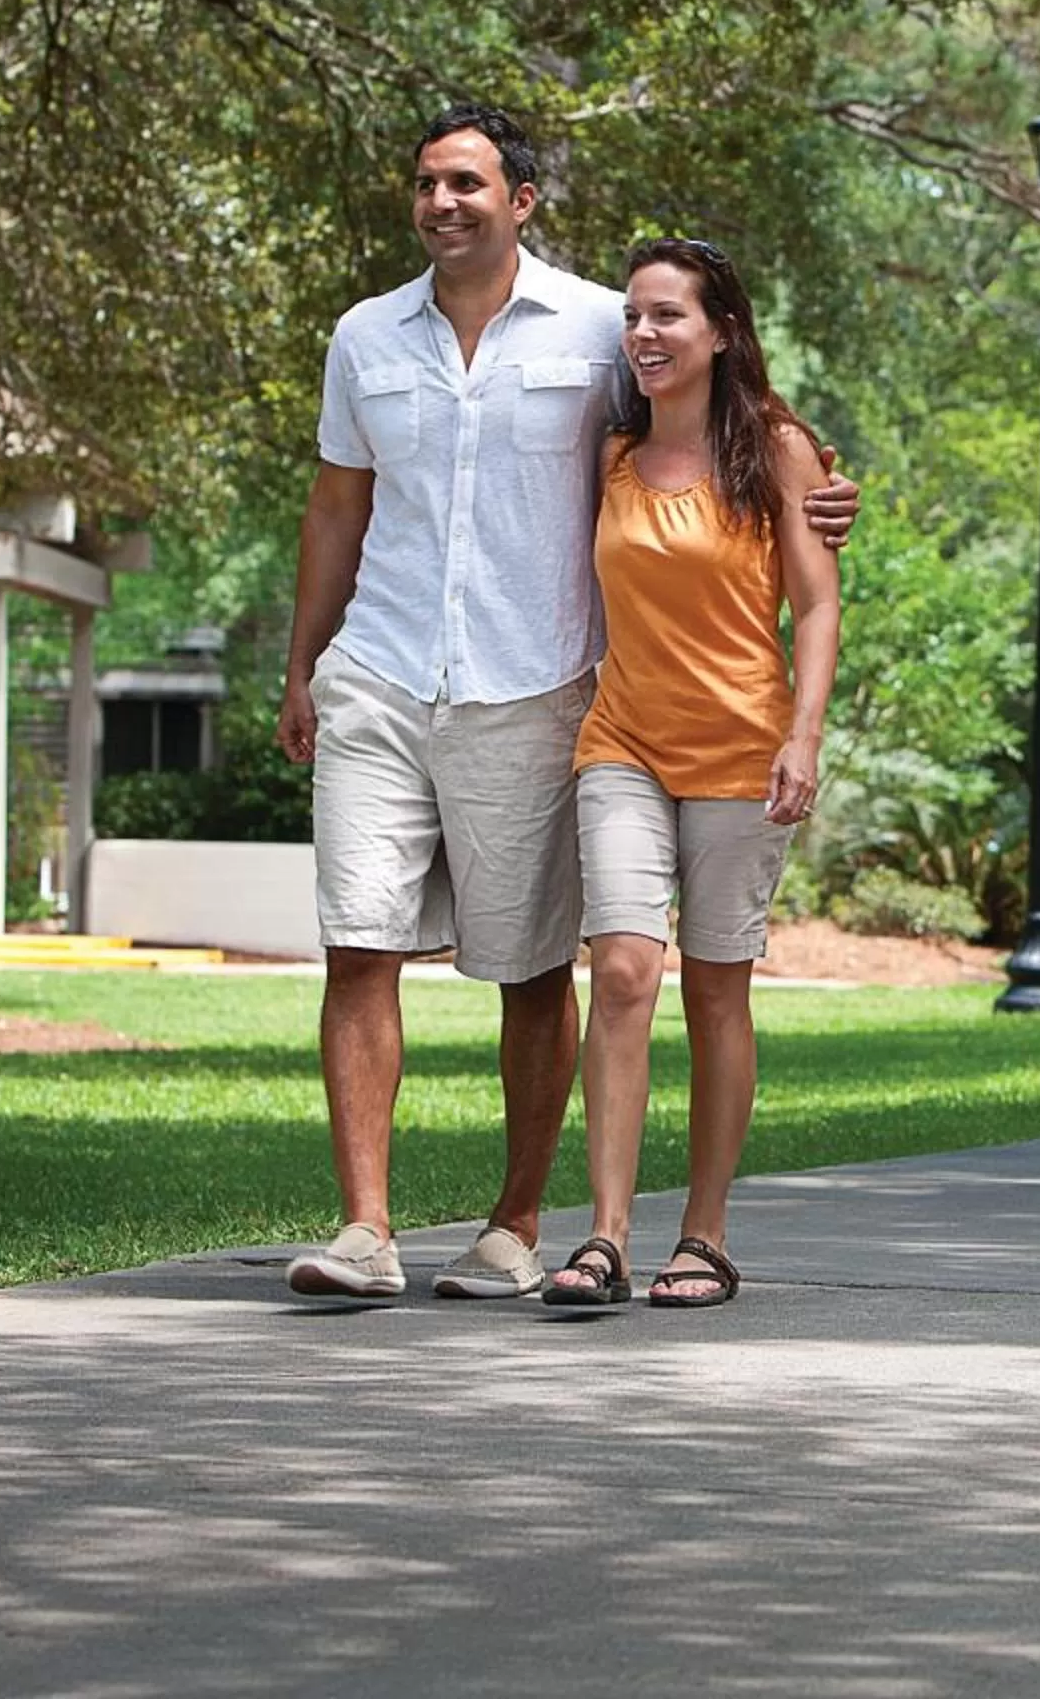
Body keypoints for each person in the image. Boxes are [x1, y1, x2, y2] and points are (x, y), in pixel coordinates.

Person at [275, 108, 854, 1300]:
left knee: (535, 964)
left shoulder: (600, 325)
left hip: (534, 683)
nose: (442, 202)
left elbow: (735, 420)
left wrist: (825, 493)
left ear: (522, 199)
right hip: (383, 668)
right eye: (426, 183)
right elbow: (336, 506)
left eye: (467, 182)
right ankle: (367, 1229)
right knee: (359, 942)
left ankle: (518, 1225)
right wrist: (303, 662)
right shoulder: (364, 336)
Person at [540, 239, 838, 1310]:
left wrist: (803, 736)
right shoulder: (612, 452)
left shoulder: (780, 451)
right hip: (621, 741)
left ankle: (704, 1236)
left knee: (717, 988)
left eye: (668, 315)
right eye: (634, 316)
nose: (645, 333)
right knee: (623, 970)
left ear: (721, 331)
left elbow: (818, 602)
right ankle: (605, 1237)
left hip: (742, 752)